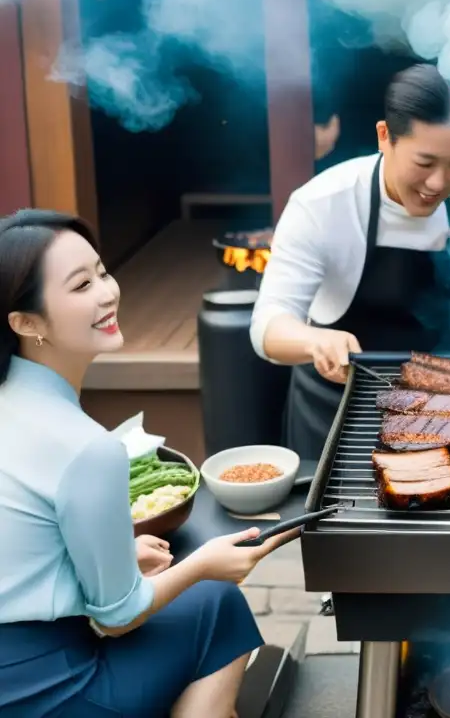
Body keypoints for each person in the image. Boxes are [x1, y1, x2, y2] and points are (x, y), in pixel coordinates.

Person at [0, 210, 298, 717]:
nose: (106, 292)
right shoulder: (86, 448)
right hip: (50, 692)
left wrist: (119, 554)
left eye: (101, 272)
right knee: (216, 603)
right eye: (80, 286)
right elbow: (118, 617)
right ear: (26, 323)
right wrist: (204, 565)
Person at [251, 63, 450, 462]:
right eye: (425, 162)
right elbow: (268, 325)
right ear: (385, 137)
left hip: (441, 412)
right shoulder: (322, 203)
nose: (438, 183)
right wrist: (315, 341)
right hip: (335, 410)